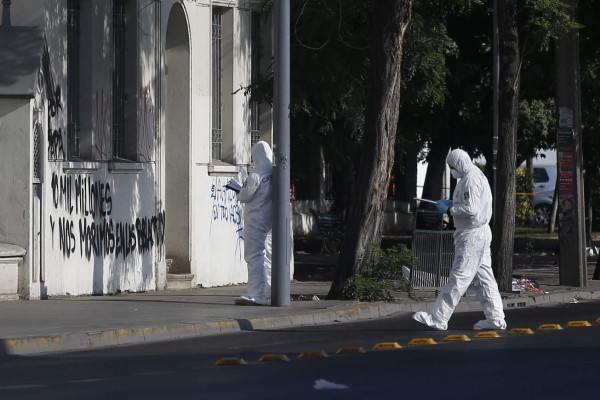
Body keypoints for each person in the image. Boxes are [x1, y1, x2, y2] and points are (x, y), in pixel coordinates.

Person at [413, 148, 507, 330]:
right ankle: (495, 318)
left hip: (471, 235)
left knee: (459, 277)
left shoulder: (470, 180)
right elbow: (469, 205)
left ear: (459, 163)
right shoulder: (471, 176)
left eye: (452, 166)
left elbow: (471, 209)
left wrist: (449, 209)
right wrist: (453, 203)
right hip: (478, 233)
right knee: (484, 279)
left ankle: (438, 317)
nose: (452, 169)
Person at [228, 141, 273, 306]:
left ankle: (255, 294)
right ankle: (269, 291)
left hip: (255, 219)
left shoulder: (257, 173)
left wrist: (238, 191)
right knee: (268, 256)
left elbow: (245, 196)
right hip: (270, 220)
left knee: (253, 256)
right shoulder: (274, 172)